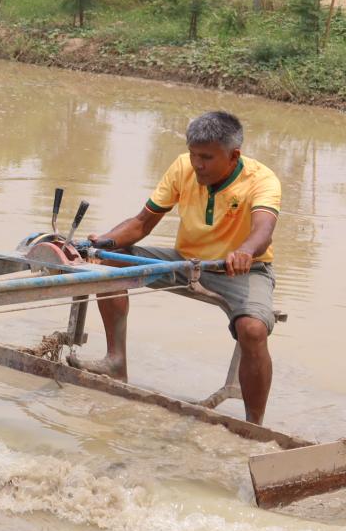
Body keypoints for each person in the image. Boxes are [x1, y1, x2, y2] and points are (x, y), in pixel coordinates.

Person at [75, 110, 280, 424]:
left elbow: (263, 231)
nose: (197, 164)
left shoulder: (262, 180)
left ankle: (255, 424)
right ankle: (116, 362)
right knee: (109, 262)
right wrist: (102, 243)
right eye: (193, 154)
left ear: (233, 155)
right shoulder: (183, 168)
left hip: (241, 269)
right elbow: (142, 223)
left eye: (207, 158)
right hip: (185, 262)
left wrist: (244, 252)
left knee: (252, 330)